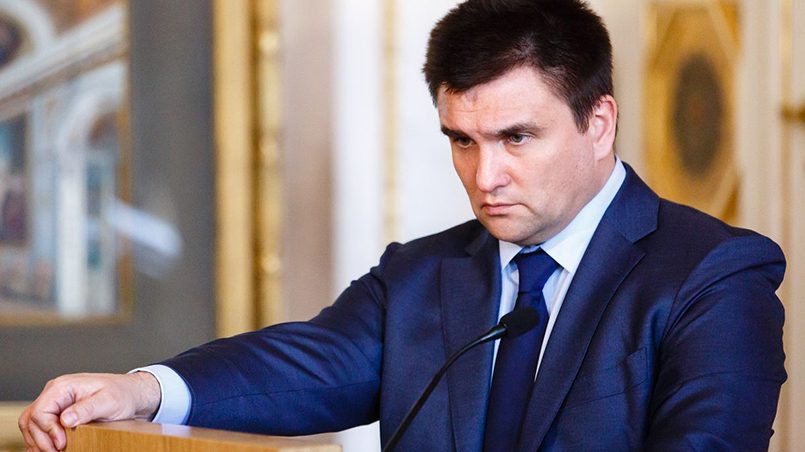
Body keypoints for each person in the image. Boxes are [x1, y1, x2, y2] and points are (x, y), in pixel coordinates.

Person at [20, 0, 786, 450]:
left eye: (516, 138)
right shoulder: (421, 275)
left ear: (598, 122)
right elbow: (305, 366)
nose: (484, 177)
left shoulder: (714, 274)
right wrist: (140, 390)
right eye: (462, 141)